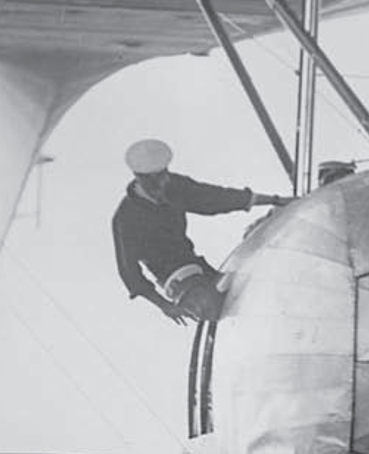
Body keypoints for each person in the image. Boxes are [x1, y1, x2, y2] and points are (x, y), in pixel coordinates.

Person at [112, 138, 289, 325]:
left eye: (164, 177)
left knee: (248, 291)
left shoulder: (174, 186)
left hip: (194, 263)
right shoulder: (126, 219)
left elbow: (218, 198)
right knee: (211, 307)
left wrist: (275, 200)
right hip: (175, 277)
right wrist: (165, 306)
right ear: (138, 178)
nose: (162, 186)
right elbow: (131, 274)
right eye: (154, 183)